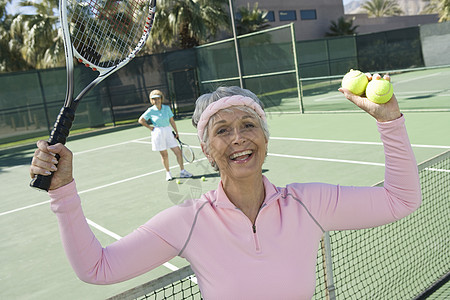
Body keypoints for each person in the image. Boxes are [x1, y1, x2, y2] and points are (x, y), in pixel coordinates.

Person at [30, 74, 421, 299]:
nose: (238, 138)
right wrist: (62, 192)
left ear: (265, 137)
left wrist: (389, 120)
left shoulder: (310, 203)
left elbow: (401, 200)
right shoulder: (188, 221)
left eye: (249, 125)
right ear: (206, 149)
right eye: (222, 130)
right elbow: (97, 268)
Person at [138, 89, 192, 181]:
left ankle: (182, 171)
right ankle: (168, 173)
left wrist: (176, 132)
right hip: (158, 133)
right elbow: (141, 120)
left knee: (178, 152)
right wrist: (150, 127)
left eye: (158, 98)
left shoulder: (166, 108)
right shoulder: (150, 110)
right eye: (154, 99)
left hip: (168, 131)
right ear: (151, 100)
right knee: (164, 155)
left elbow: (171, 121)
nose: (156, 101)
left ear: (161, 99)